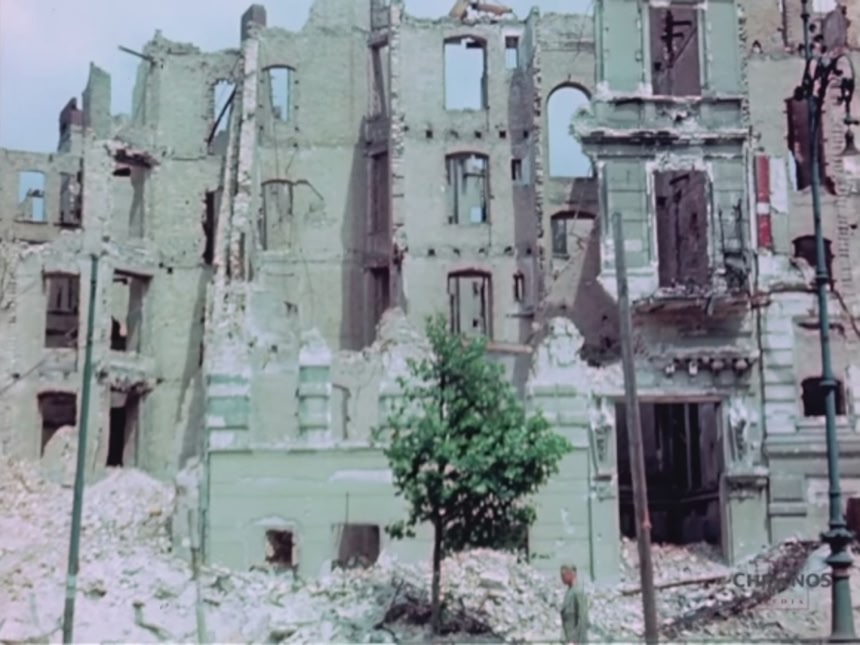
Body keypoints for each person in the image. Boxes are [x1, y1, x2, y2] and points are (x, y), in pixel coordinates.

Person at [560, 564, 588, 644]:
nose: (562, 578)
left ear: (572, 574)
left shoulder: (578, 592)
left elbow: (582, 619)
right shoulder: (569, 592)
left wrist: (575, 640)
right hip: (568, 639)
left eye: (564, 575)